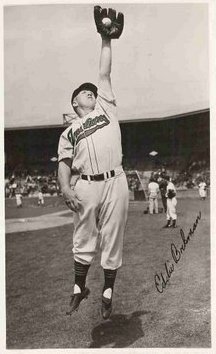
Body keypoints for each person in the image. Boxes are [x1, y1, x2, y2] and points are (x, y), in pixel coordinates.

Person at [57, 6, 128, 320]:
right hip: (85, 184)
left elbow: (103, 73)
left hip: (116, 180)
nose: (90, 92)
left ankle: (108, 291)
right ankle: (78, 287)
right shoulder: (70, 130)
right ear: (75, 103)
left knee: (113, 234)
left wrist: (106, 40)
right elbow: (63, 162)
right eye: (85, 93)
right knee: (84, 236)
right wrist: (65, 189)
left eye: (92, 92)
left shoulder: (106, 108)